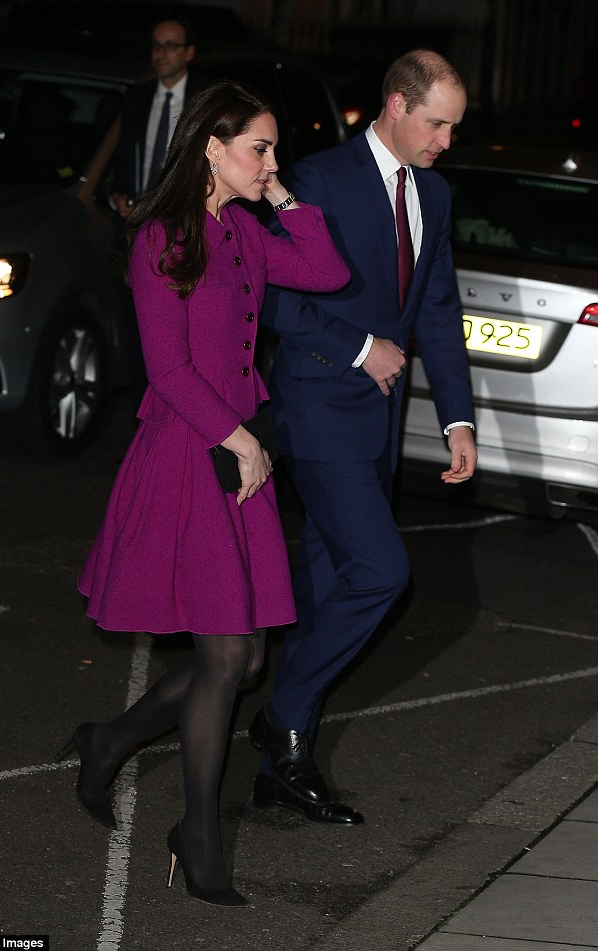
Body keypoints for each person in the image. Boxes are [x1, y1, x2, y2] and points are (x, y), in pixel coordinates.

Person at [55, 80, 350, 907]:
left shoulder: (246, 232)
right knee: (226, 655)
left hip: (236, 456)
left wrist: (280, 191)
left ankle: (107, 739)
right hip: (196, 450)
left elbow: (324, 269)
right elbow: (169, 368)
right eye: (259, 147)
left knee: (249, 653)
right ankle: (199, 834)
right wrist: (242, 439)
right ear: (211, 149)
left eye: (273, 148)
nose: (271, 161)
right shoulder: (165, 235)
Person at [248, 50, 478, 824]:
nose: (446, 140)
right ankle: (282, 714)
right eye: (437, 123)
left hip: (379, 422)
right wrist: (357, 348)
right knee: (382, 571)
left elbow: (437, 312)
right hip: (318, 410)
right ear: (395, 105)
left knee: (328, 584)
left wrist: (456, 418)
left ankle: (285, 756)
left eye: (453, 126)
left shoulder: (435, 195)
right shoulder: (317, 179)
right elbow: (271, 297)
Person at [111, 13, 208, 219]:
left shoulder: (205, 99)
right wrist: (119, 196)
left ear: (189, 52)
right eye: (156, 45)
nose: (161, 53)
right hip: (139, 215)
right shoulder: (136, 98)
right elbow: (125, 155)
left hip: (185, 216)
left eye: (171, 46)